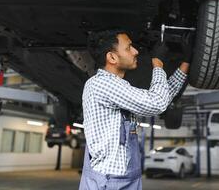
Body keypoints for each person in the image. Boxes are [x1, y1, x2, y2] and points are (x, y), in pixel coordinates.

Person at [79, 29, 193, 190]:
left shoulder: (118, 86)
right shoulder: (100, 84)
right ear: (112, 57)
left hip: (124, 178)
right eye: (128, 48)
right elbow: (157, 103)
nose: (135, 51)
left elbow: (163, 97)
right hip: (110, 182)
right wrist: (158, 64)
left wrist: (186, 62)